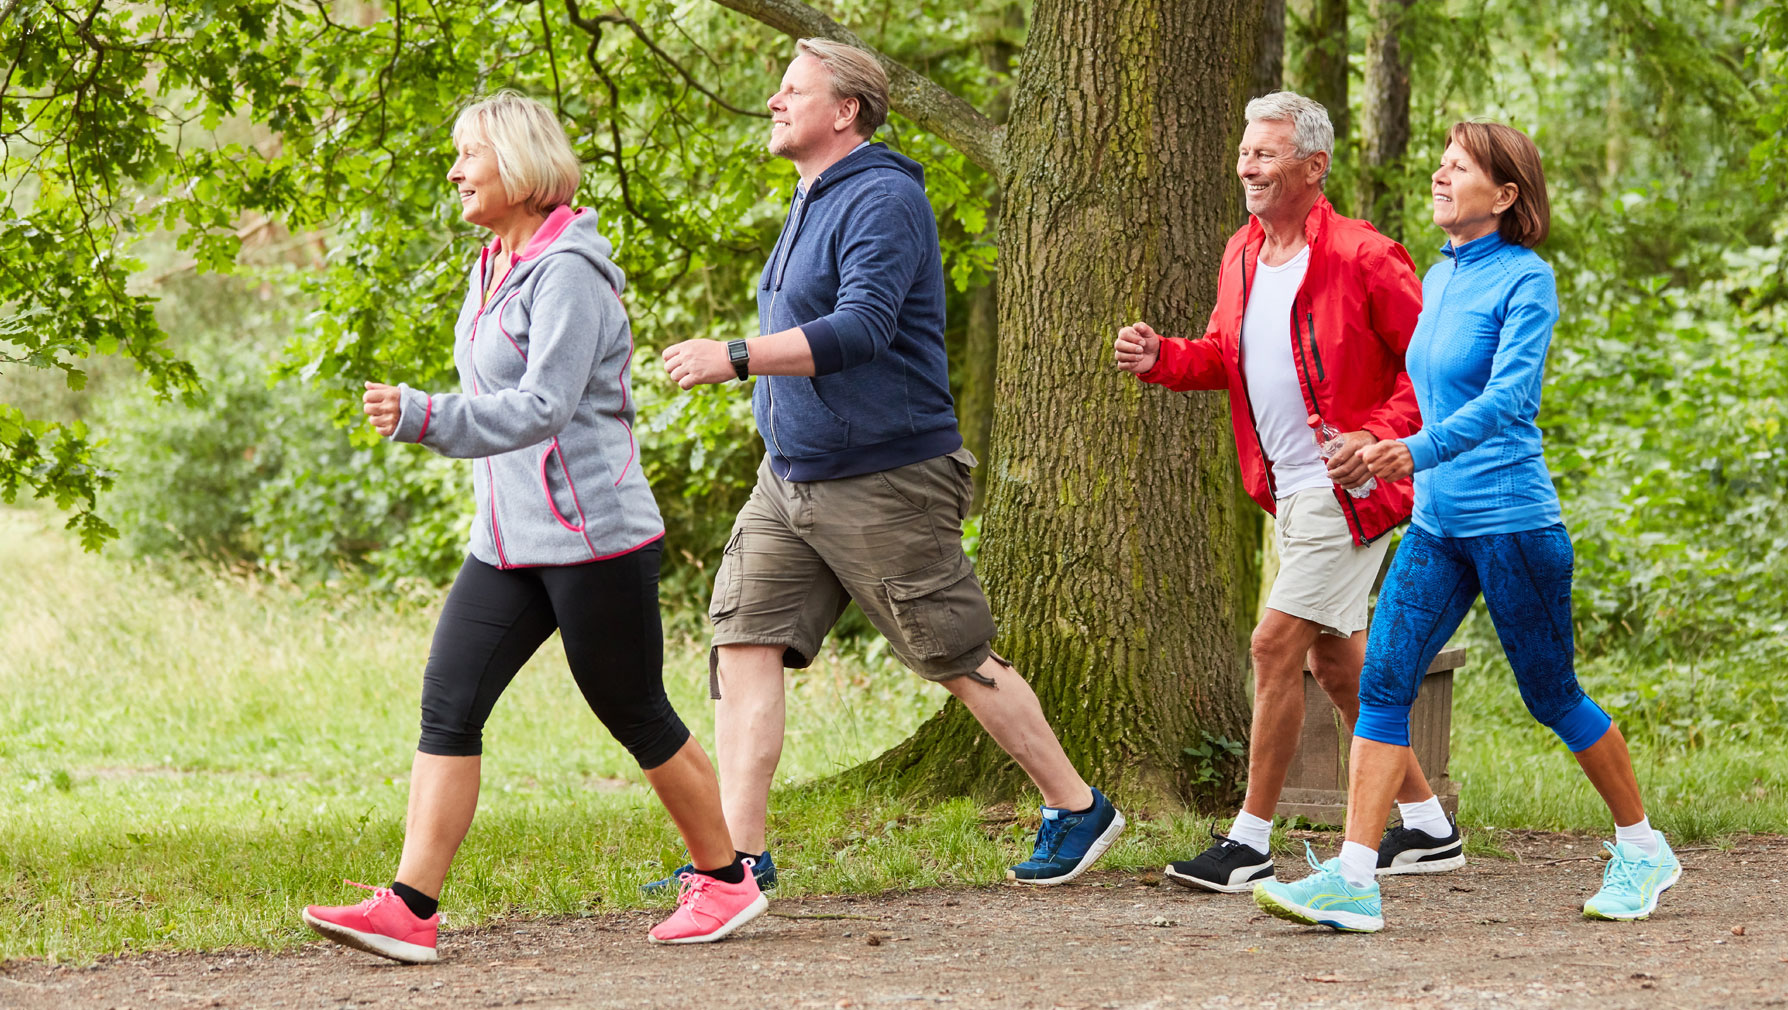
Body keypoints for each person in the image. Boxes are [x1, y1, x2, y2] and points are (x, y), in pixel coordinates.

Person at [300, 92, 765, 963]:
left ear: (516, 164)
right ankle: (410, 907)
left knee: (634, 710)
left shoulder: (569, 274)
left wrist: (426, 416)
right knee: (449, 702)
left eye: (468, 154)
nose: (455, 170)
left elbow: (545, 405)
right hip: (507, 543)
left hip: (594, 538)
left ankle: (728, 881)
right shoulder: (495, 264)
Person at [659, 39, 1124, 887]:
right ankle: (736, 863)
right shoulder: (811, 196)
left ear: (845, 111)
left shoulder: (881, 197)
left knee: (953, 653)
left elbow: (863, 327)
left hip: (884, 478)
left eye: (791, 88)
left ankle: (1077, 805)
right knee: (742, 642)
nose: (774, 100)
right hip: (790, 475)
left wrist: (736, 355)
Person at [1254, 122, 1680, 933]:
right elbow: (1423, 393)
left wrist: (1409, 452)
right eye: (1442, 165)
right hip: (1438, 524)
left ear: (1506, 195)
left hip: (1513, 523)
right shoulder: (1441, 278)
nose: (1441, 177)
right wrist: (1372, 443)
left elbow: (1510, 401)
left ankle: (1642, 845)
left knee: (1551, 694)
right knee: (1383, 684)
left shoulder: (1528, 281)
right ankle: (1353, 879)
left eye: (1460, 168)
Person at [1114, 92, 1461, 894]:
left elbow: (1434, 371)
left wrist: (1379, 441)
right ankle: (1430, 829)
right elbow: (1223, 355)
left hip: (1352, 493)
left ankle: (1250, 840)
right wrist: (1162, 356)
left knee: (1273, 646)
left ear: (1313, 166)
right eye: (1245, 152)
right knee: (1339, 667)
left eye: (1266, 154)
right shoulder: (1240, 252)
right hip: (1288, 494)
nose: (1248, 165)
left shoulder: (1366, 256)